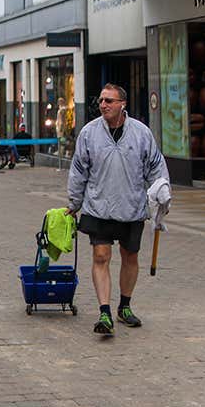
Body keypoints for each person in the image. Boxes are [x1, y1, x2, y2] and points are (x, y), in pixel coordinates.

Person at [66, 83, 171, 336]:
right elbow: (78, 170)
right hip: (98, 207)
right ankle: (104, 312)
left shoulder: (141, 133)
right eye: (101, 100)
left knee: (130, 256)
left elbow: (156, 167)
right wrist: (74, 203)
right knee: (101, 256)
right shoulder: (89, 133)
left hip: (131, 207)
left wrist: (162, 193)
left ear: (122, 104)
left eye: (109, 101)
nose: (103, 105)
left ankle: (124, 306)